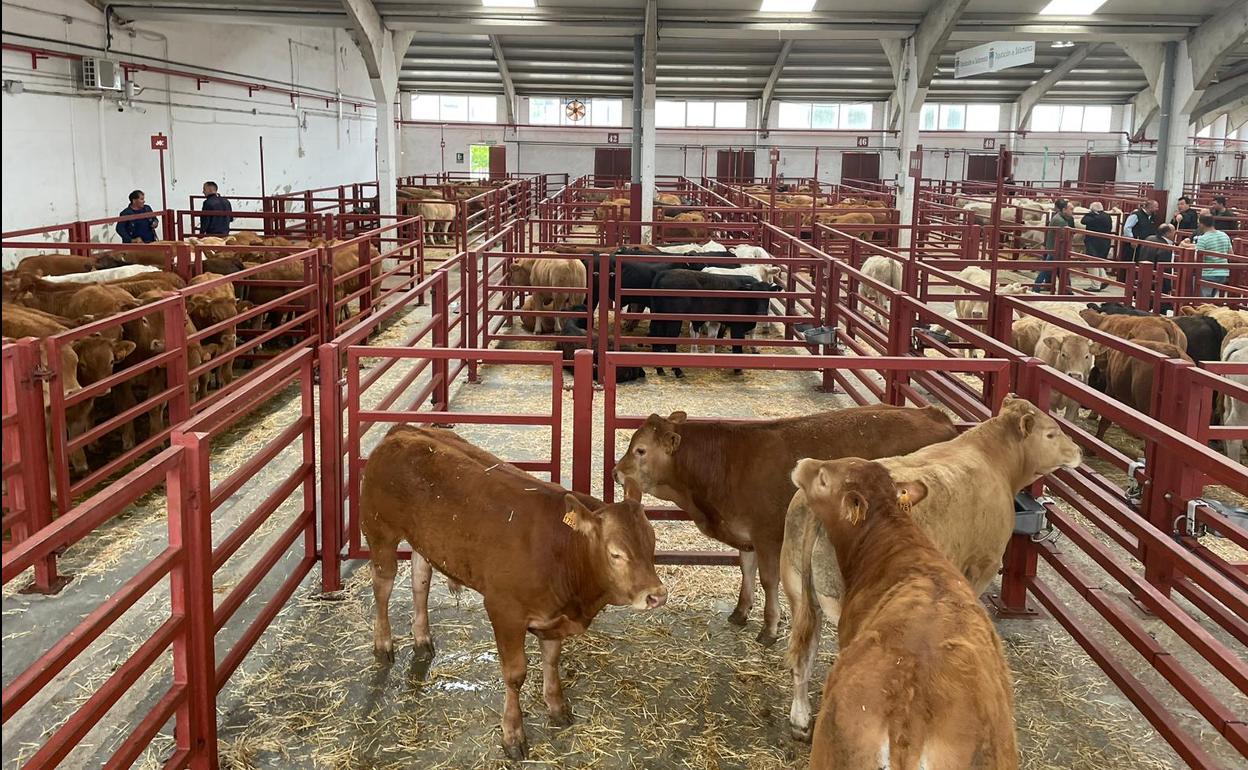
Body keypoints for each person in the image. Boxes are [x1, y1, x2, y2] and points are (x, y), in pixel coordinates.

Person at [1182, 214, 1231, 297]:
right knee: (1211, 298)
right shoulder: (1224, 235)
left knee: (1203, 299)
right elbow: (1230, 253)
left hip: (1208, 274)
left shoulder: (1203, 239)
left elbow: (1198, 259)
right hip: (1223, 273)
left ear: (1201, 224)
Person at [1034, 198, 1075, 292]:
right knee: (1048, 269)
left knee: (1051, 269)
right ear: (1064, 209)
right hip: (1056, 249)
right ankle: (1036, 288)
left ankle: (1067, 290)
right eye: (1071, 209)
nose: (1072, 212)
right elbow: (1063, 236)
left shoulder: (1060, 218)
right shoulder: (1060, 221)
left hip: (1054, 248)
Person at [1080, 201, 1114, 291]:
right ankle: (1104, 278)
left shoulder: (1094, 218)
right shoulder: (1107, 216)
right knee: (1098, 262)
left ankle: (1095, 285)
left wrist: (1090, 214)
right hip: (1105, 242)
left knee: (1092, 263)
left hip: (1093, 242)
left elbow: (1083, 221)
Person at [1121, 198, 1158, 266]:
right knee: (1130, 262)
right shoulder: (1136, 215)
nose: (1157, 209)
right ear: (1150, 207)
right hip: (1134, 245)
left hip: (1145, 245)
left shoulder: (1152, 217)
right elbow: (1127, 227)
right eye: (1156, 207)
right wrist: (1132, 239)